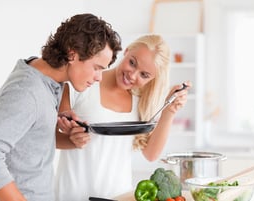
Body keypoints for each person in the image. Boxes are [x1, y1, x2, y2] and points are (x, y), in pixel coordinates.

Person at [0, 13, 121, 201]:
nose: (99, 78)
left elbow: (28, 141)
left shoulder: (48, 79)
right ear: (72, 54)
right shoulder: (27, 92)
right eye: (96, 67)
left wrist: (69, 139)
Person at [55, 34, 191, 201]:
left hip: (118, 196)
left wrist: (169, 111)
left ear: (152, 79)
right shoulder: (82, 84)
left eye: (144, 75)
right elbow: (54, 134)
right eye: (132, 63)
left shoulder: (140, 102)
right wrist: (71, 137)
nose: (132, 75)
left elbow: (151, 154)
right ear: (126, 51)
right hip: (71, 195)